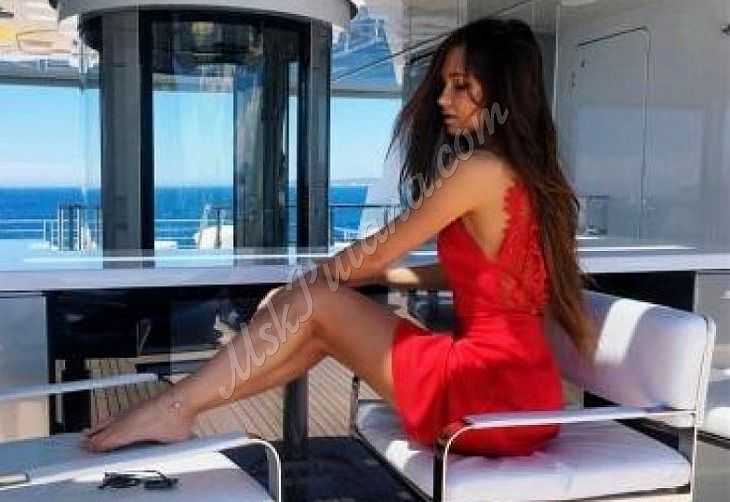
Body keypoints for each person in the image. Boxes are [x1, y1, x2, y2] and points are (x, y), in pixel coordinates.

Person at [82, 17, 596, 456]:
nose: (443, 98)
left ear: (502, 88)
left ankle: (174, 406)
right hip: (528, 395)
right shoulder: (528, 173)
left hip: (485, 393)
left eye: (461, 85)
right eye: (444, 83)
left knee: (316, 307)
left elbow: (373, 252)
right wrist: (361, 283)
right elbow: (478, 275)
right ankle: (182, 408)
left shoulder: (477, 168)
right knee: (320, 325)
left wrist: (308, 288)